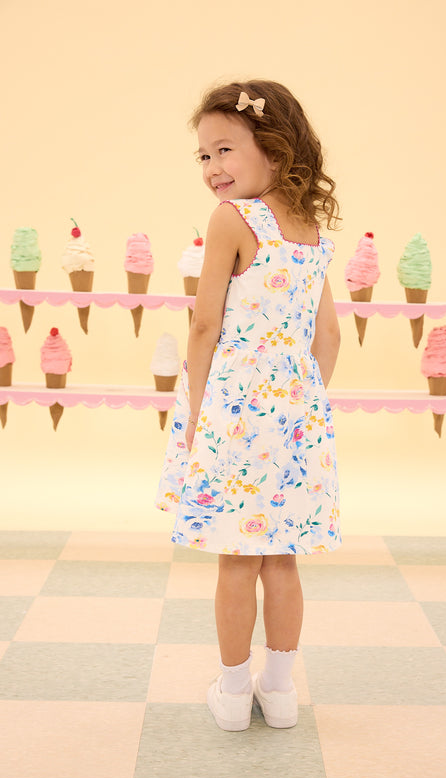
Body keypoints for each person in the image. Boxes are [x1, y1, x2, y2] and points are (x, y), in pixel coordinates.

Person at [156, 79, 341, 732]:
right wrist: (299, 404)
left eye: (225, 150)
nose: (212, 169)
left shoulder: (231, 221)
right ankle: (282, 692)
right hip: (295, 416)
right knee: (281, 556)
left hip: (232, 412)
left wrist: (200, 414)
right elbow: (328, 338)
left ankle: (234, 696)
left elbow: (204, 328)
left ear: (273, 146)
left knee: (238, 557)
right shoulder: (309, 229)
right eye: (203, 156)